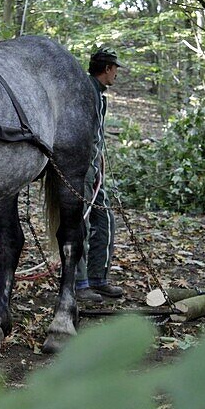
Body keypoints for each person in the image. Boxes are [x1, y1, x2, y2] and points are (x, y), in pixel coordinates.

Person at [75, 48, 124, 305]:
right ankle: (78, 283)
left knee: (104, 220)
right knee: (79, 225)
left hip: (94, 172)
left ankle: (97, 279)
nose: (116, 74)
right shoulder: (85, 92)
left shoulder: (99, 95)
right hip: (81, 172)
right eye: (115, 68)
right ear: (107, 69)